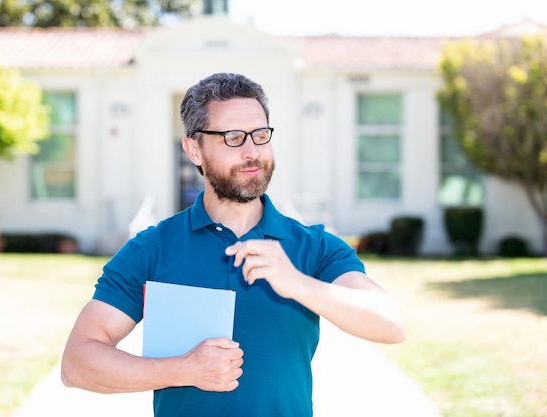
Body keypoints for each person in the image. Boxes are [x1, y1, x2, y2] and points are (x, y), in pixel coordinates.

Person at [61, 72, 406, 417]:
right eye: (233, 138)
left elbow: (390, 324)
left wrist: (298, 283)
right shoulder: (153, 248)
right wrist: (183, 369)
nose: (251, 152)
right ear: (194, 149)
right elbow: (77, 362)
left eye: (260, 135)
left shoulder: (314, 247)